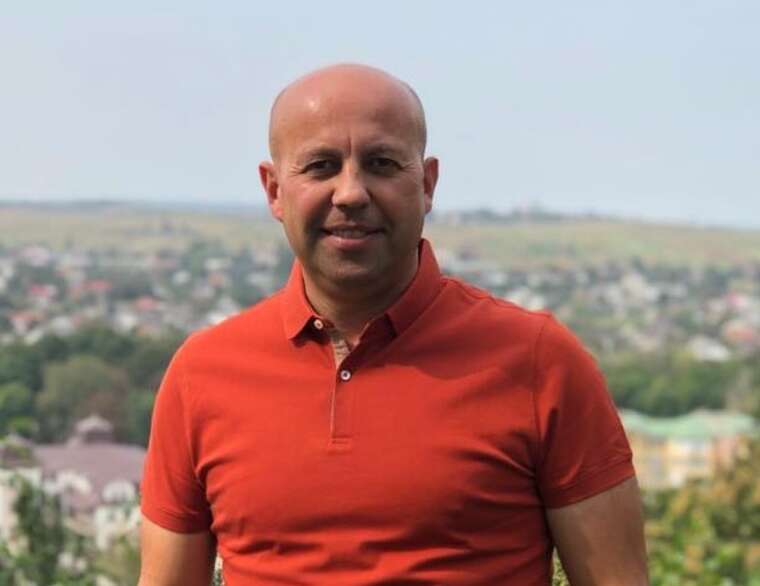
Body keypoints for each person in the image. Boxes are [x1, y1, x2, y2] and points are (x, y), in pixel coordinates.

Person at [139, 64, 649, 585]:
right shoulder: (203, 374)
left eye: (381, 164)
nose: (351, 193)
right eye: (321, 166)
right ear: (274, 190)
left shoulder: (539, 361)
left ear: (426, 184)